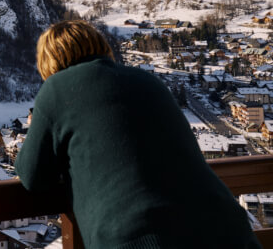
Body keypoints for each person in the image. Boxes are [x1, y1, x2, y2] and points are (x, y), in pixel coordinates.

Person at [15, 20, 260, 249]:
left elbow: (32, 176)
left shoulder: (57, 89)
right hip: (226, 228)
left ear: (49, 62)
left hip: (141, 237)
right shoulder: (147, 80)